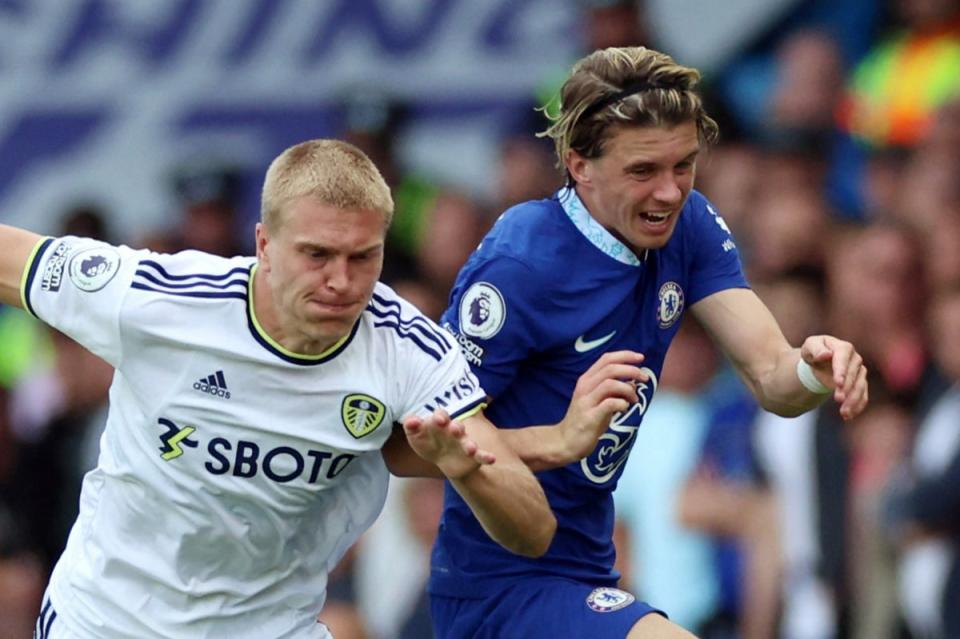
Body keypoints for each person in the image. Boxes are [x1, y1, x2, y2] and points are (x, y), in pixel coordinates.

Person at [0, 139, 643, 638]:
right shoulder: (159, 298)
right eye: (316, 255)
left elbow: (533, 530)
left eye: (363, 257)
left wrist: (468, 469)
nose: (341, 281)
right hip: (109, 620)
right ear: (264, 245)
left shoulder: (407, 349)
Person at [429, 46, 870, 639]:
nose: (669, 192)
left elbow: (771, 374)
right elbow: (409, 447)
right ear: (578, 163)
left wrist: (816, 367)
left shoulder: (686, 225)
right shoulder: (521, 265)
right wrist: (558, 441)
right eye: (643, 171)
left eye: (683, 165)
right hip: (497, 589)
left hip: (589, 571)